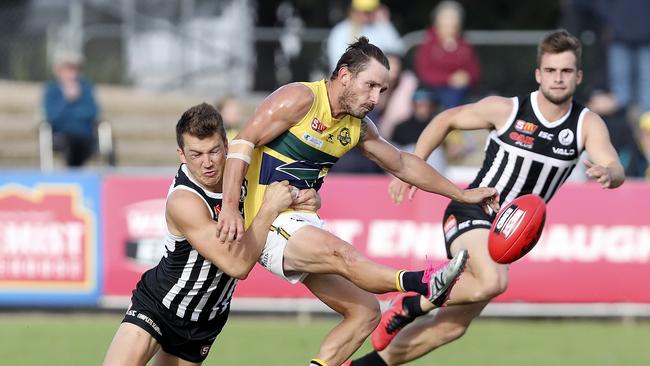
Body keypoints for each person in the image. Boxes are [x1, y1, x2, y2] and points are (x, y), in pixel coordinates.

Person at [216, 37, 499, 366]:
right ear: (345, 76)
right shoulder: (300, 99)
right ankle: (421, 283)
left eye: (382, 90)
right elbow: (243, 142)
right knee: (342, 253)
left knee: (365, 313)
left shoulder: (357, 127)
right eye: (371, 86)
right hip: (264, 221)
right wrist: (230, 206)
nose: (376, 98)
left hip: (298, 220)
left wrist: (461, 193)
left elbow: (403, 164)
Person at [351, 29, 625, 366]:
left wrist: (608, 174)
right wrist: (414, 165)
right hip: (472, 211)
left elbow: (613, 165)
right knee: (493, 281)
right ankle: (413, 301)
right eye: (551, 71)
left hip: (508, 231)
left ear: (578, 76)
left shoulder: (586, 124)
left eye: (566, 71)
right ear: (538, 74)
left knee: (451, 328)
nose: (558, 79)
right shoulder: (507, 110)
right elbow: (446, 119)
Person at [102, 103, 321, 366]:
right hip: (160, 306)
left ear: (227, 145)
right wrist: (269, 208)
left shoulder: (245, 171)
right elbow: (236, 264)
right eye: (196, 154)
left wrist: (306, 197)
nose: (207, 163)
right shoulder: (185, 200)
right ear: (181, 154)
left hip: (206, 320)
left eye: (214, 151)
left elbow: (293, 182)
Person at [414, 1, 480, 110]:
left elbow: (475, 72)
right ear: (438, 23)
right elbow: (423, 72)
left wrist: (467, 77)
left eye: (454, 22)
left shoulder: (465, 45)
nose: (451, 26)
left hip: (463, 90)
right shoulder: (428, 44)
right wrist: (449, 79)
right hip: (435, 89)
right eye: (447, 22)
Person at [43, 50, 99, 167]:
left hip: (85, 134)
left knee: (85, 143)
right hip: (62, 134)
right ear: (59, 71)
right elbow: (53, 116)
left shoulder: (86, 88)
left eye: (76, 69)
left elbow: (92, 112)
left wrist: (73, 113)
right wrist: (67, 101)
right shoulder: (52, 90)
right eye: (69, 69)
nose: (73, 74)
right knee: (70, 143)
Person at [327, 0, 403, 71]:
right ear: (354, 11)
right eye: (366, 12)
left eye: (373, 10)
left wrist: (384, 23)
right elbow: (337, 63)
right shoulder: (340, 31)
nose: (369, 15)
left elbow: (397, 49)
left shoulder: (381, 27)